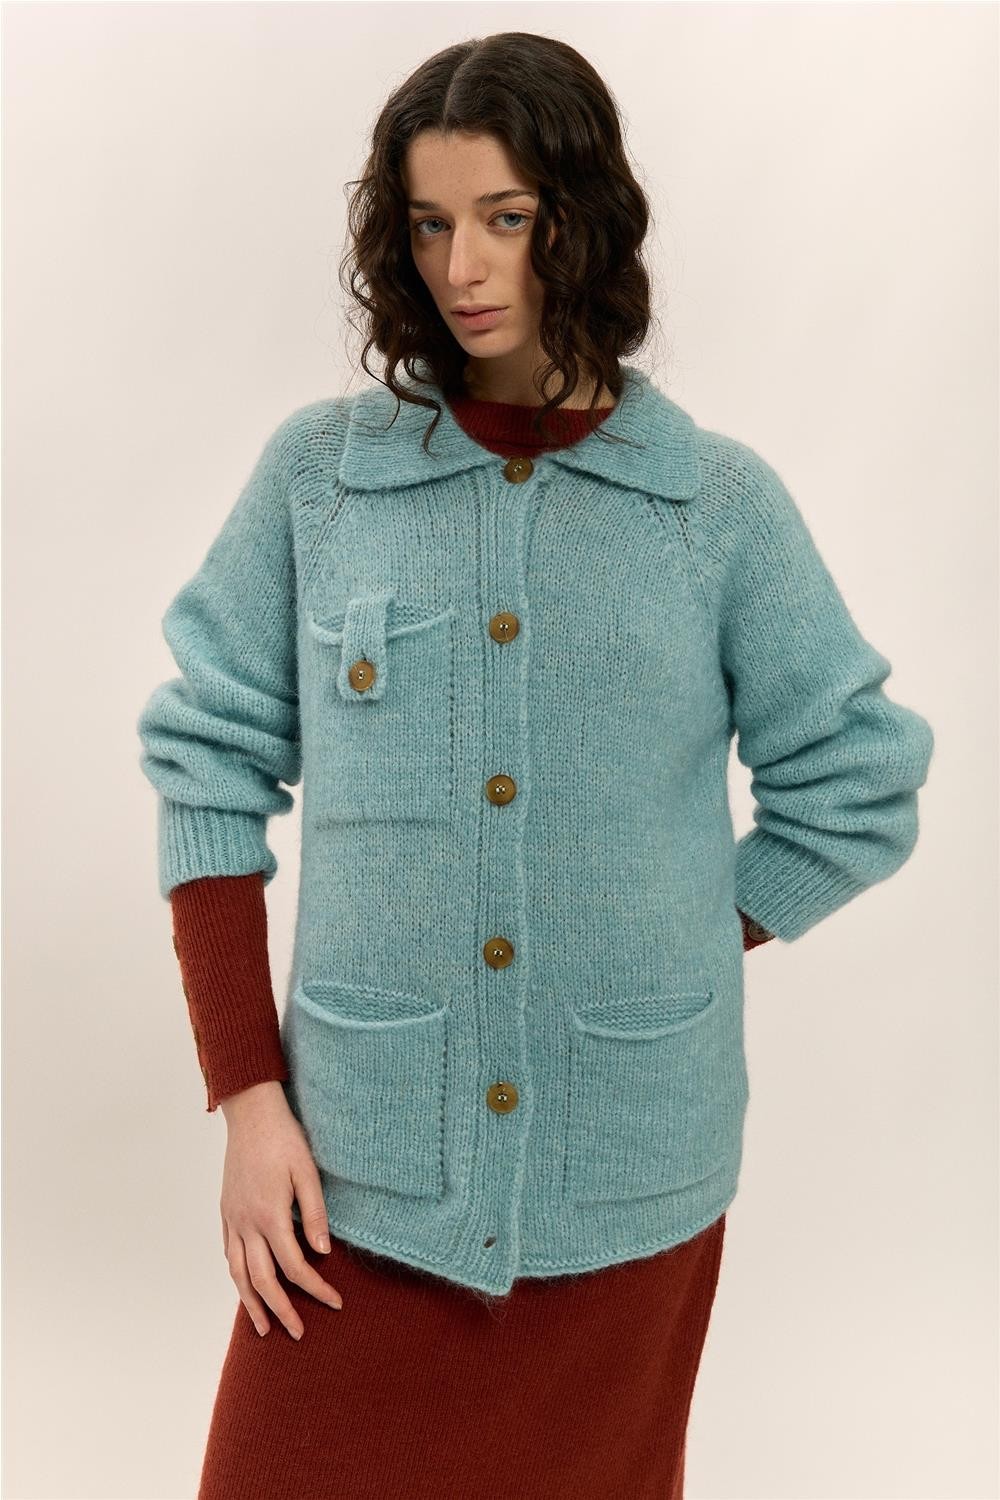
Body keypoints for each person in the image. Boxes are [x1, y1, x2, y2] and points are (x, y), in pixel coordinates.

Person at [136, 32, 935, 1500]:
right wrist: (245, 1096)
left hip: (627, 1169)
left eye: (506, 217)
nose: (464, 267)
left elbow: (859, 777)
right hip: (358, 1170)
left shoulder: (711, 507)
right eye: (429, 224)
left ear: (582, 218)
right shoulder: (324, 480)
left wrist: (689, 922)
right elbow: (205, 764)